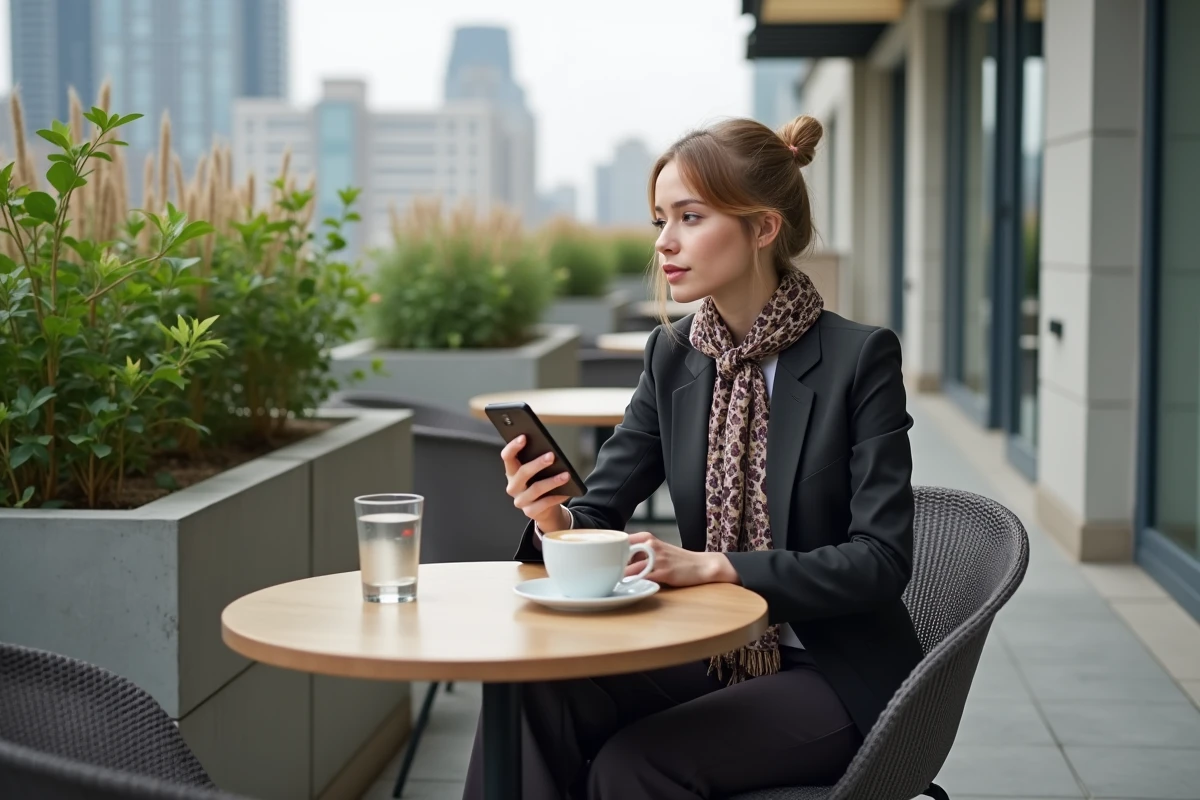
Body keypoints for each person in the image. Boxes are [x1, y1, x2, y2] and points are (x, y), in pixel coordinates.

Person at [463, 114, 924, 800]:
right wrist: (554, 517)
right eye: (659, 219)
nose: (664, 243)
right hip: (714, 652)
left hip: (833, 670)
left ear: (762, 228)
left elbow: (881, 561)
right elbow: (601, 506)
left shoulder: (859, 359)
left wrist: (716, 566)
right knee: (533, 690)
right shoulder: (675, 358)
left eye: (689, 216)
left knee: (634, 765)